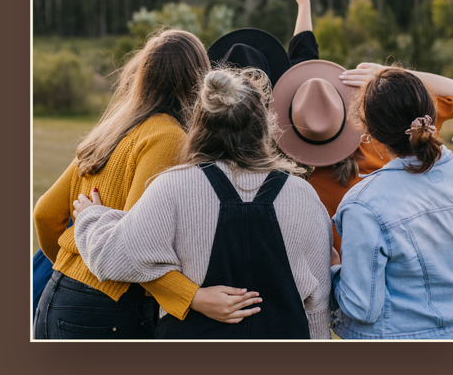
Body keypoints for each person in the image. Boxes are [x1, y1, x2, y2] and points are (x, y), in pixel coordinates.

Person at [72, 67, 333, 339]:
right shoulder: (303, 195)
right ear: (263, 126)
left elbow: (112, 257)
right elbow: (317, 303)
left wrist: (92, 217)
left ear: (200, 122)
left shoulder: (173, 187)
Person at [34, 29, 259, 339]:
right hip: (108, 307)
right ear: (197, 80)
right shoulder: (167, 138)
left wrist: (73, 266)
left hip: (57, 296)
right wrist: (194, 297)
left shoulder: (110, 131)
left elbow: (44, 214)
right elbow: (135, 247)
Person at [330, 66, 453, 340]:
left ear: (368, 129)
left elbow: (361, 308)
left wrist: (333, 269)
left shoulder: (363, 204)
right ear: (431, 113)